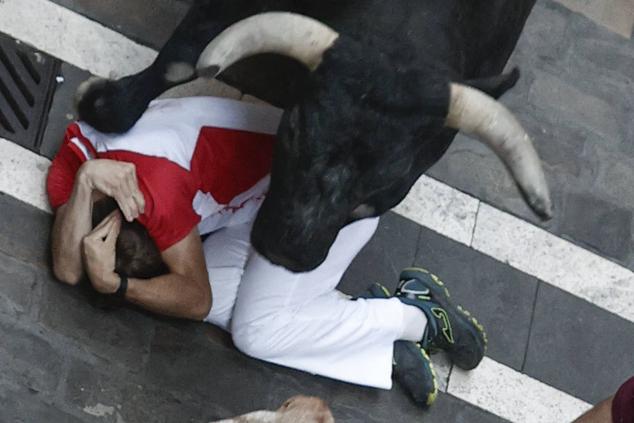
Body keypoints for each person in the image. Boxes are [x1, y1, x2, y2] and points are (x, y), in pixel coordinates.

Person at [48, 95, 487, 407]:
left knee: (254, 333)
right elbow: (67, 270)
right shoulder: (82, 169)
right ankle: (365, 333)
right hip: (266, 196)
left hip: (333, 194)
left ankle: (415, 315)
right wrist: (86, 180)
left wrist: (117, 286)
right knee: (205, 302)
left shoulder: (155, 195)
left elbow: (195, 297)